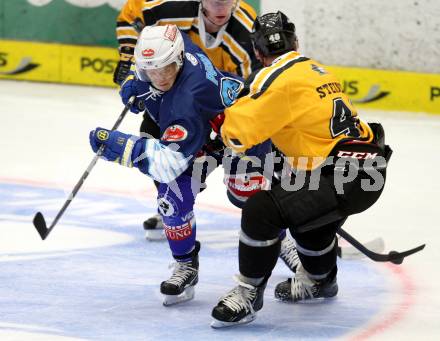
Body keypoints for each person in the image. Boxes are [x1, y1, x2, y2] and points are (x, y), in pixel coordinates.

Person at [210, 11, 392, 328]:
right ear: (296, 42)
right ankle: (320, 281)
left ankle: (248, 293)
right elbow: (305, 126)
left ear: (256, 51)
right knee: (309, 222)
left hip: (338, 176)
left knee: (261, 210)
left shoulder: (271, 77)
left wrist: (223, 122)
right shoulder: (317, 70)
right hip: (368, 173)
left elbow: (238, 134)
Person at [89, 24, 273, 306]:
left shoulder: (184, 101)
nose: (160, 77)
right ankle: (186, 264)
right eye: (151, 70)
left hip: (242, 137)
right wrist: (135, 82)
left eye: (165, 69)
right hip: (204, 133)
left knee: (247, 197)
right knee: (171, 202)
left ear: (177, 61)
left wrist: (119, 146)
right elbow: (166, 33)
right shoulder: (176, 45)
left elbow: (167, 164)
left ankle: (283, 241)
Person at [113, 0, 262, 239]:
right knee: (153, 136)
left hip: (219, 101)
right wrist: (131, 62)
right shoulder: (170, 8)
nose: (221, 9)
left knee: (243, 161)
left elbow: (252, 88)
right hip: (172, 92)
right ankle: (171, 205)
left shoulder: (246, 29)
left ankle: (268, 216)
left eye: (228, 1)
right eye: (215, 1)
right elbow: (131, 17)